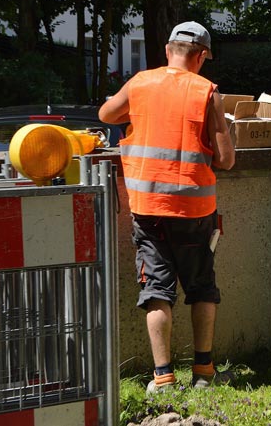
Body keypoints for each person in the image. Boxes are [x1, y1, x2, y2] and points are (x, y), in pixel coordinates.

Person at [99, 21, 235, 392]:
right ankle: (204, 372)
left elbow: (106, 116)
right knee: (202, 287)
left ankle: (163, 377)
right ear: (202, 55)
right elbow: (225, 159)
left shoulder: (140, 83)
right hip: (194, 211)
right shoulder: (207, 91)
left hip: (148, 208)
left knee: (157, 290)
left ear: (167, 50)